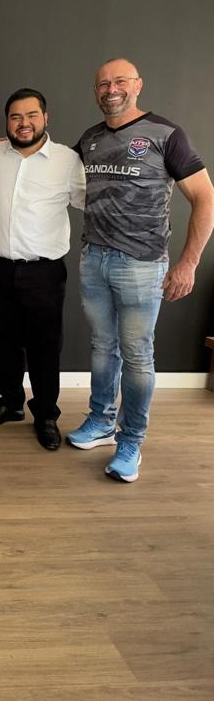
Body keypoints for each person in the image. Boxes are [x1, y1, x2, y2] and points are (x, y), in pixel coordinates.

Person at [67, 58, 214, 482]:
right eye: (102, 84)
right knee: (102, 348)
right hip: (94, 259)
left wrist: (188, 263)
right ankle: (100, 422)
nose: (110, 89)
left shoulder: (166, 135)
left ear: (137, 85)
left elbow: (204, 197)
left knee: (136, 356)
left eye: (119, 82)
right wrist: (8, 144)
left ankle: (130, 441)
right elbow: (49, 162)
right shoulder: (90, 138)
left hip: (141, 265)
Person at [0, 88, 86, 450]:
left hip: (44, 272)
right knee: (3, 341)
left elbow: (89, 202)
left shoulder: (68, 160)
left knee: (45, 347)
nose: (24, 123)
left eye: (31, 115)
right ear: (7, 122)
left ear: (45, 118)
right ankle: (10, 403)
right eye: (16, 117)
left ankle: (46, 415)